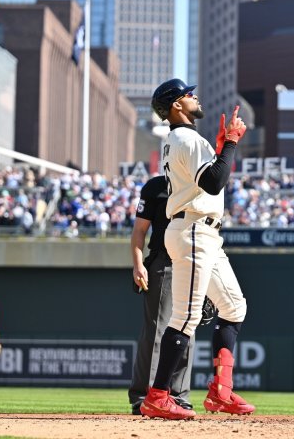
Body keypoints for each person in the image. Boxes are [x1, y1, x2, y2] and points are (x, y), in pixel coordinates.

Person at [139, 78, 252, 420]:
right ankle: (158, 396)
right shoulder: (185, 137)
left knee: (233, 307)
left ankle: (221, 391)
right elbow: (215, 181)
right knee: (186, 316)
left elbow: (210, 178)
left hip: (204, 232)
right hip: (191, 229)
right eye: (188, 94)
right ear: (176, 105)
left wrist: (221, 148)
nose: (195, 97)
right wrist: (230, 142)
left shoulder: (183, 138)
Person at [128, 175, 194, 415]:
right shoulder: (156, 186)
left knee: (188, 329)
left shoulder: (202, 183)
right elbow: (139, 231)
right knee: (157, 329)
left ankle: (178, 395)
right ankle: (144, 395)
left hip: (191, 260)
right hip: (163, 262)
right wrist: (138, 265)